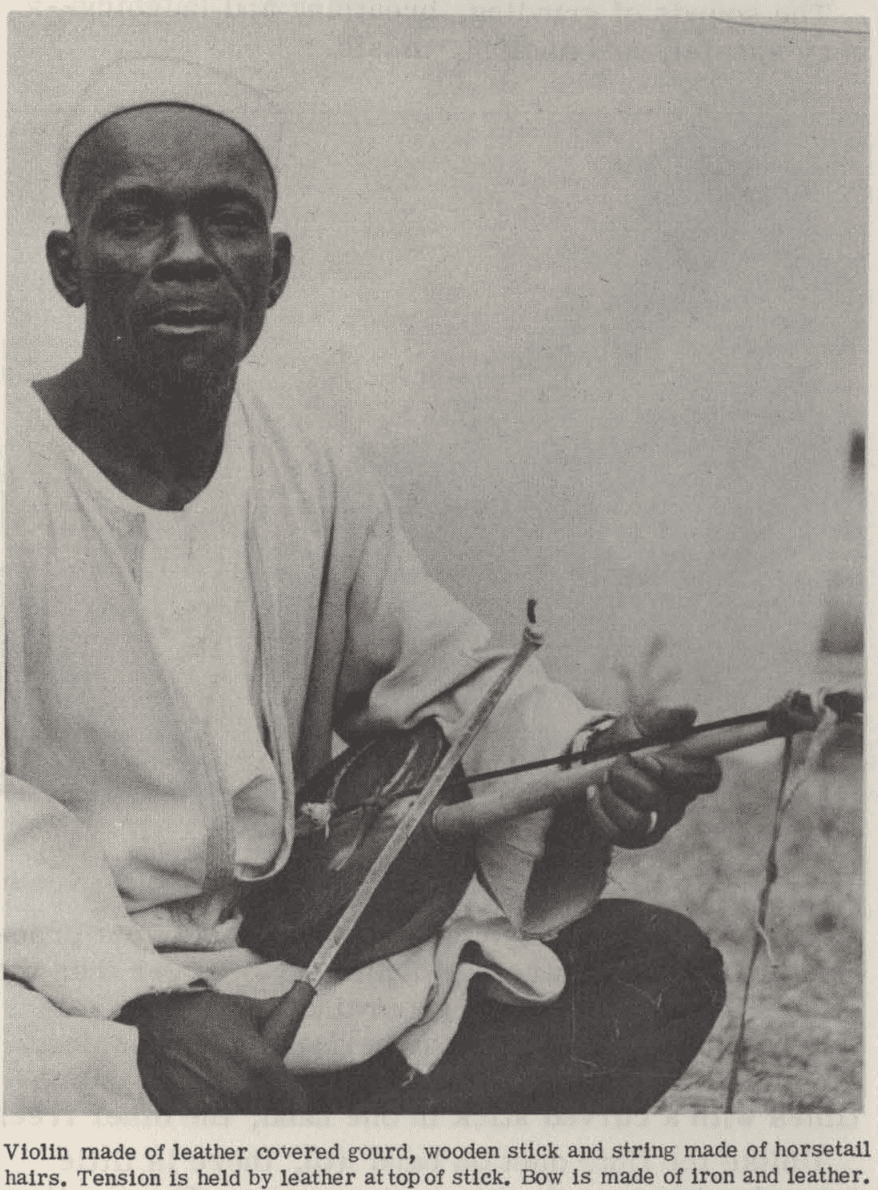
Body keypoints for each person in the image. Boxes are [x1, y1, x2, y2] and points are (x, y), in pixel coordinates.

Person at [5, 58, 725, 1116]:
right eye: (137, 220)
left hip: (272, 965)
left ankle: (287, 1138)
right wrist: (143, 1001)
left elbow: (453, 679)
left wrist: (590, 758)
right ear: (70, 266)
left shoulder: (310, 473)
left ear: (274, 269)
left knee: (649, 963)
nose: (187, 255)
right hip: (56, 983)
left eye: (227, 221)